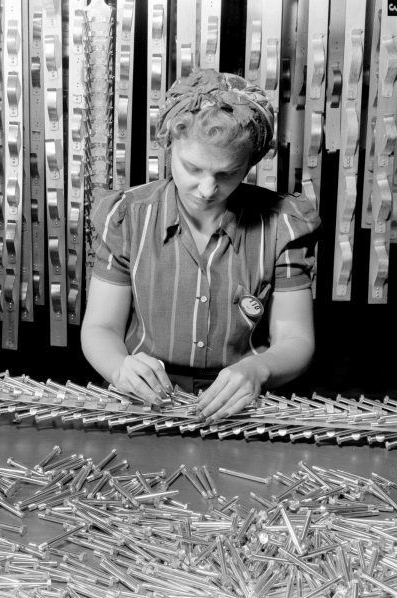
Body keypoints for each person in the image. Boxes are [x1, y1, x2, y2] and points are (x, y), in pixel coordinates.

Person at [81, 68, 319, 421]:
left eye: (227, 174)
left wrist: (258, 370)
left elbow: (296, 340)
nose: (207, 189)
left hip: (243, 404)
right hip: (141, 401)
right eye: (192, 168)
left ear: (250, 163)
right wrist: (119, 368)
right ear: (168, 145)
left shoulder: (282, 225)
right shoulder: (127, 218)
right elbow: (101, 327)